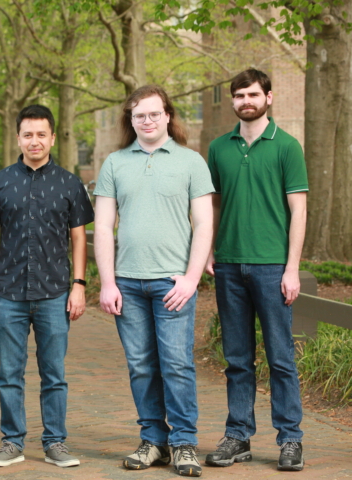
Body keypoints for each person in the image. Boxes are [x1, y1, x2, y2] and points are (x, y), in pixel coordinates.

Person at [94, 85, 214, 477]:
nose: (147, 120)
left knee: (177, 364)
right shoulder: (114, 163)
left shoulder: (191, 161)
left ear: (167, 115)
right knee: (141, 366)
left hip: (172, 284)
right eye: (138, 115)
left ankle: (183, 444)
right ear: (130, 120)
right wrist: (107, 282)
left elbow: (203, 223)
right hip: (127, 284)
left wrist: (191, 279)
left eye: (153, 113)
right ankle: (153, 441)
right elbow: (103, 227)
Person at [0, 105, 94, 469]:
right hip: (8, 293)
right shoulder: (0, 181)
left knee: (53, 373)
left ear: (52, 137)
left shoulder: (70, 183)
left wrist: (78, 285)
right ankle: (12, 442)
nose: (35, 141)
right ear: (18, 138)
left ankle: (55, 442)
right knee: (9, 373)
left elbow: (79, 238)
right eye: (28, 134)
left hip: (55, 292)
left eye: (42, 134)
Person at [204, 68, 308, 472]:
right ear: (232, 101)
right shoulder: (218, 148)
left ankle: (291, 439)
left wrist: (292, 268)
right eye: (239, 95)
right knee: (236, 358)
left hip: (271, 267)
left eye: (252, 94)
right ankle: (238, 435)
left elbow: (298, 209)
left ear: (269, 97)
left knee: (281, 357)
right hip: (229, 264)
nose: (245, 101)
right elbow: (213, 204)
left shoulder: (287, 146)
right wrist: (210, 249)